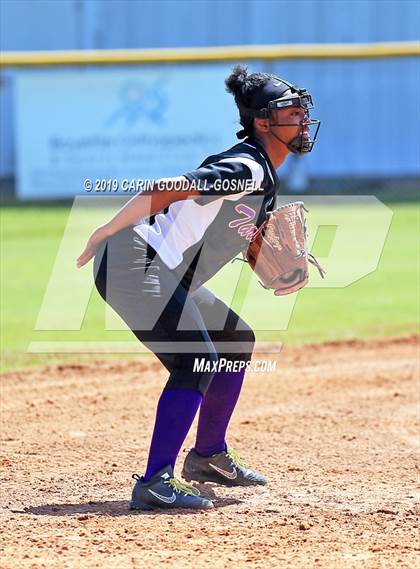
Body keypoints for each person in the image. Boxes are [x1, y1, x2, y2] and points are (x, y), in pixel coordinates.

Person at [76, 64, 320, 511]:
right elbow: (168, 187)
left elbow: (226, 232)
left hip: (163, 271)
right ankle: (154, 482)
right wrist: (106, 229)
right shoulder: (246, 166)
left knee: (235, 339)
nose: (302, 118)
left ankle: (208, 456)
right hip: (136, 263)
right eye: (291, 111)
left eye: (302, 110)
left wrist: (266, 258)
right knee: (196, 358)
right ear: (263, 121)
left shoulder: (262, 174)